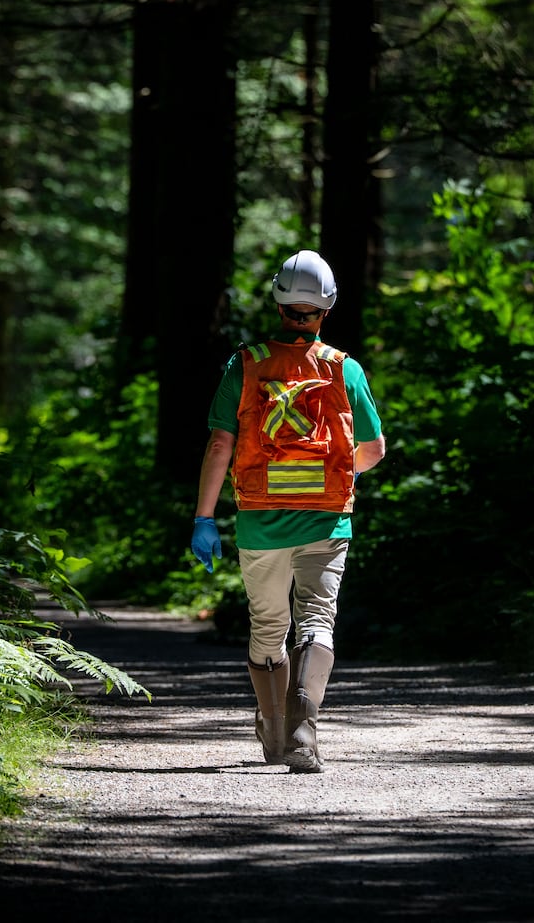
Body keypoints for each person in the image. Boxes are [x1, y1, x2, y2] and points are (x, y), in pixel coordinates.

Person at [190, 249, 386, 774]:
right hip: (327, 519)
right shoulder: (344, 368)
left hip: (260, 520)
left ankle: (273, 728)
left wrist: (204, 519)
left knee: (268, 627)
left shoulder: (246, 362)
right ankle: (304, 729)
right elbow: (372, 450)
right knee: (317, 622)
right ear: (327, 307)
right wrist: (330, 477)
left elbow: (218, 446)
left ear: (279, 303)